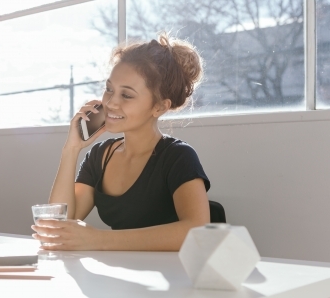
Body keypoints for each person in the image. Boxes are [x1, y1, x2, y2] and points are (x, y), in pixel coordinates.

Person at [31, 33, 210, 251]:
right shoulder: (100, 156)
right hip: (120, 273)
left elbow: (198, 230)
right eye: (109, 90)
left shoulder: (178, 157)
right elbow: (61, 224)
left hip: (172, 277)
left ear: (159, 107)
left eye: (126, 96)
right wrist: (71, 149)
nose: (111, 103)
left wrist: (98, 240)